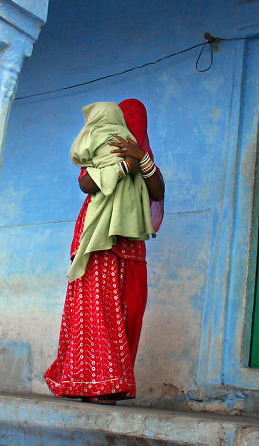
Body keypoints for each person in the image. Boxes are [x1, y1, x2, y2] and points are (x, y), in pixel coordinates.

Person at [44, 99, 165, 404]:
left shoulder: (142, 155)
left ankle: (113, 384)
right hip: (98, 239)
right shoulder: (100, 148)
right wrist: (122, 166)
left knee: (128, 313)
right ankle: (89, 384)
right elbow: (86, 183)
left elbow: (158, 191)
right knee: (95, 313)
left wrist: (142, 158)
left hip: (130, 245)